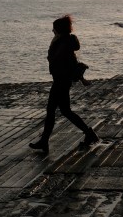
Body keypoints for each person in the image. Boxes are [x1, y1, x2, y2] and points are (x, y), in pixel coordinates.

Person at [29, 16, 99, 155]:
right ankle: (88, 133)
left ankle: (45, 141)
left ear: (59, 29)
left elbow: (64, 62)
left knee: (53, 111)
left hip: (61, 81)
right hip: (61, 81)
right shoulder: (64, 41)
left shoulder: (63, 43)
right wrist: (81, 78)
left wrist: (81, 78)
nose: (52, 30)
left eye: (54, 28)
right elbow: (71, 62)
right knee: (65, 111)